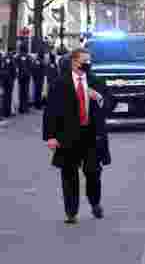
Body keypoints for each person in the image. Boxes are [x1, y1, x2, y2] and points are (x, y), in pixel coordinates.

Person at [44, 48, 111, 224]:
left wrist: (99, 98)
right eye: (84, 61)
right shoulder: (60, 83)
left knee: (93, 172)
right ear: (74, 62)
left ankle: (95, 202)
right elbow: (50, 111)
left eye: (89, 61)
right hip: (68, 135)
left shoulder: (97, 81)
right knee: (69, 174)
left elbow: (110, 104)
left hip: (91, 135)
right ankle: (71, 212)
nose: (87, 64)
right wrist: (51, 136)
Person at [0, 51, 14, 119]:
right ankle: (6, 112)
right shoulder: (9, 59)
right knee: (7, 97)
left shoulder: (4, 58)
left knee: (5, 97)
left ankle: (5, 112)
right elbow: (14, 70)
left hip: (5, 81)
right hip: (8, 81)